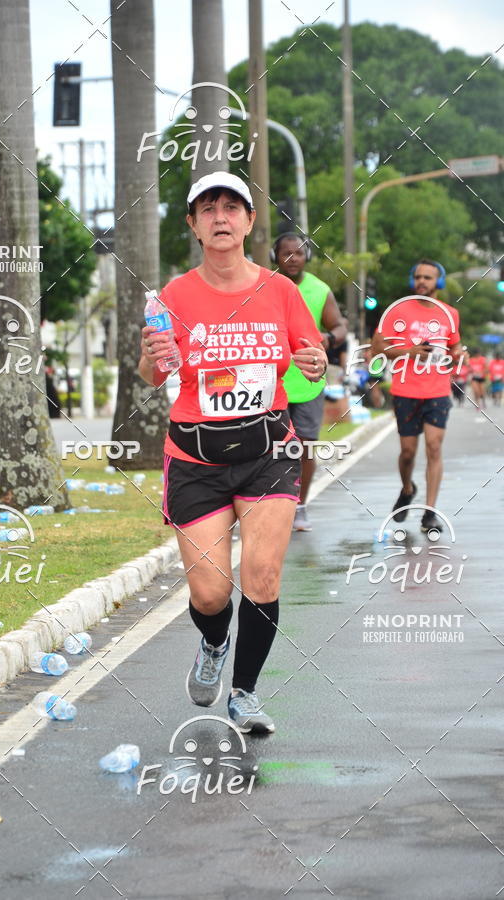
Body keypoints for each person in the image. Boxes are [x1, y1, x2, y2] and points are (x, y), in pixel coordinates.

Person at [138, 172, 327, 734]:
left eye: (232, 207)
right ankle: (214, 643)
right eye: (208, 208)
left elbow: (309, 354)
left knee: (263, 576)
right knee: (211, 591)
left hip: (268, 449)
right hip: (196, 456)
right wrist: (157, 357)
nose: (221, 217)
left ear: (248, 221)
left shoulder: (281, 290)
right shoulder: (172, 296)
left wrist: (314, 362)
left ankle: (243, 694)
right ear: (194, 225)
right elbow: (152, 374)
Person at [371, 259, 465, 534]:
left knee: (434, 448)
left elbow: (455, 345)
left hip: (437, 390)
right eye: (419, 277)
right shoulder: (397, 311)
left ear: (439, 282)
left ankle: (429, 512)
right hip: (405, 391)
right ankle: (408, 487)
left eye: (429, 277)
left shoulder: (450, 313)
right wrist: (408, 353)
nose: (423, 281)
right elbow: (378, 347)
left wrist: (459, 354)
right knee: (408, 453)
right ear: (413, 280)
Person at [273, 233, 346, 531]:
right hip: (271, 381)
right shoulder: (264, 285)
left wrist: (329, 338)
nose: (292, 259)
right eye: (286, 253)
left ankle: (300, 505)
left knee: (305, 447)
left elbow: (339, 325)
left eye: (299, 253)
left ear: (308, 257)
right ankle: (272, 506)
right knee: (270, 448)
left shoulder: (319, 289)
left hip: (308, 381)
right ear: (274, 256)